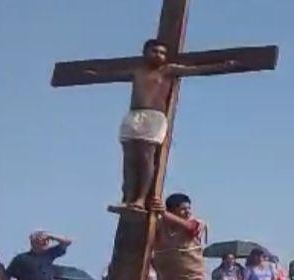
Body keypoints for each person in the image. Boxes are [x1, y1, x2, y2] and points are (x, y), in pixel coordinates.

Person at [80, 40, 239, 210]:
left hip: (153, 116)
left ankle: (140, 199)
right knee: (129, 159)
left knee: (146, 156)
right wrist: (95, 74)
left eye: (162, 53)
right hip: (134, 115)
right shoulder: (137, 71)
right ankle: (128, 197)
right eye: (154, 51)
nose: (158, 55)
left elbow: (196, 70)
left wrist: (222, 66)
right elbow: (114, 74)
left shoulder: (168, 70)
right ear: (145, 52)